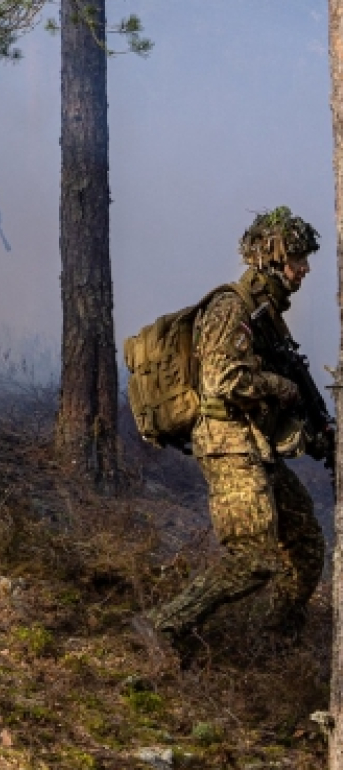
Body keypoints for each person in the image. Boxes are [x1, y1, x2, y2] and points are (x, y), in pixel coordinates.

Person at [140, 207, 325, 661]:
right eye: (297, 258)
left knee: (305, 546)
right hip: (228, 445)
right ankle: (163, 626)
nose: (304, 269)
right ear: (271, 257)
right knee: (253, 559)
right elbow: (224, 379)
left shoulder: (266, 315)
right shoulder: (232, 307)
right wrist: (280, 387)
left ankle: (272, 647)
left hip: (254, 443)